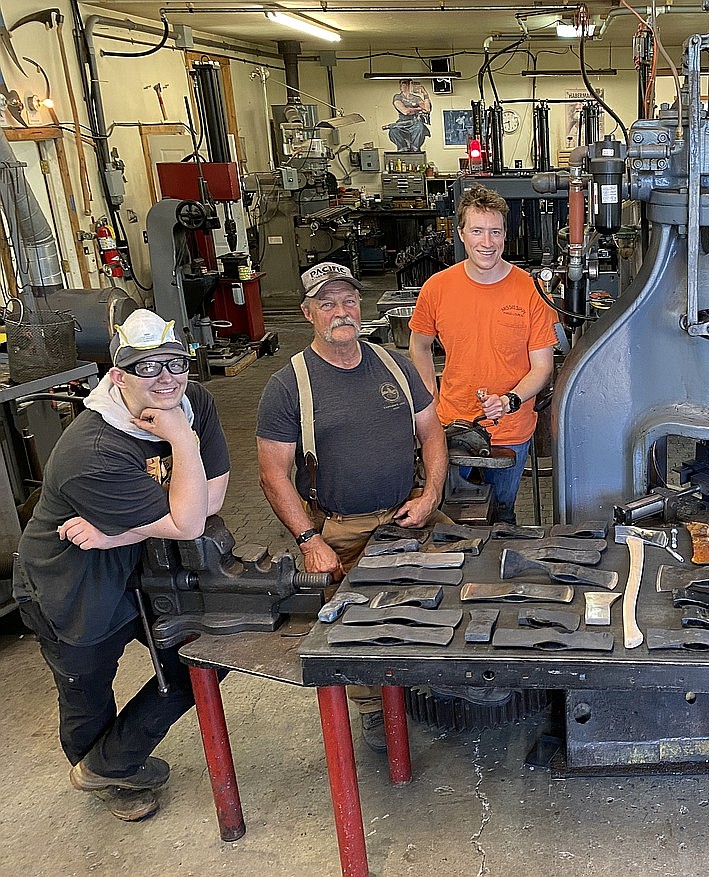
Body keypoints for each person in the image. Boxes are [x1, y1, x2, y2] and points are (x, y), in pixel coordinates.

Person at [14, 309, 231, 822]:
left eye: (175, 363)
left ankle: (110, 764)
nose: (167, 378)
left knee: (197, 663)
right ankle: (108, 775)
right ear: (117, 377)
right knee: (87, 691)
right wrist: (181, 445)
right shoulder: (94, 451)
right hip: (72, 585)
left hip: (140, 567)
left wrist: (121, 529)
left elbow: (210, 501)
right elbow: (187, 522)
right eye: (147, 367)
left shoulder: (192, 402)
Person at [256, 262, 448, 749]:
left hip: (408, 515)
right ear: (307, 313)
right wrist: (308, 539)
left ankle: (434, 677)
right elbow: (272, 473)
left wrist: (430, 496)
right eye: (327, 303)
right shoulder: (288, 386)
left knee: (447, 590)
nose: (341, 312)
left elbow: (432, 434)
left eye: (348, 301)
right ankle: (372, 706)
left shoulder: (395, 366)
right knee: (358, 625)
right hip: (340, 528)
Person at [409, 184, 558, 524]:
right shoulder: (438, 288)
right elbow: (418, 345)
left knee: (501, 513)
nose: (487, 243)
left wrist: (509, 400)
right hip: (451, 426)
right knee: (453, 519)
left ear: (506, 234)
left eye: (495, 232)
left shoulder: (529, 290)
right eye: (477, 231)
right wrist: (428, 399)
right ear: (461, 233)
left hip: (511, 429)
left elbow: (542, 367)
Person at [385, 79, 431, 152]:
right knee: (393, 130)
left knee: (420, 127)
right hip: (402, 123)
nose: (403, 86)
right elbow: (405, 111)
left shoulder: (416, 98)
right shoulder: (398, 97)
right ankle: (402, 147)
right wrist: (418, 108)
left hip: (414, 122)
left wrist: (425, 94)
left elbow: (427, 109)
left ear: (410, 85)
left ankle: (415, 148)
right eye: (402, 84)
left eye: (405, 83)